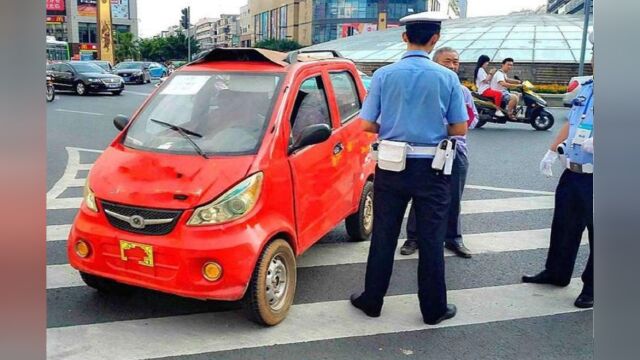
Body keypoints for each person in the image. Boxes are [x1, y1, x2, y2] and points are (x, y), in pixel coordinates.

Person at [350, 12, 468, 325]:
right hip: (433, 168)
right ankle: (433, 309)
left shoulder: (384, 75)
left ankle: (372, 300)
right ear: (435, 40)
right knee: (431, 238)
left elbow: (366, 124)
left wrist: (394, 126)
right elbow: (459, 128)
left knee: (384, 235)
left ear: (404, 37)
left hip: (391, 165)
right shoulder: (447, 78)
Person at [522, 31, 595, 309]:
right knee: (564, 225)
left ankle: (593, 286)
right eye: (594, 55)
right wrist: (552, 149)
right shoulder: (587, 87)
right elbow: (572, 121)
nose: (594, 60)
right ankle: (557, 273)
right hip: (573, 172)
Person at [399, 47, 477, 259]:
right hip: (428, 151)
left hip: (455, 150)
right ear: (434, 62)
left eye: (456, 62)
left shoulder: (463, 92)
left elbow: (472, 119)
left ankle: (453, 238)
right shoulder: (425, 88)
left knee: (453, 197)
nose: (452, 66)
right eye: (447, 61)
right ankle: (413, 237)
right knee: (419, 194)